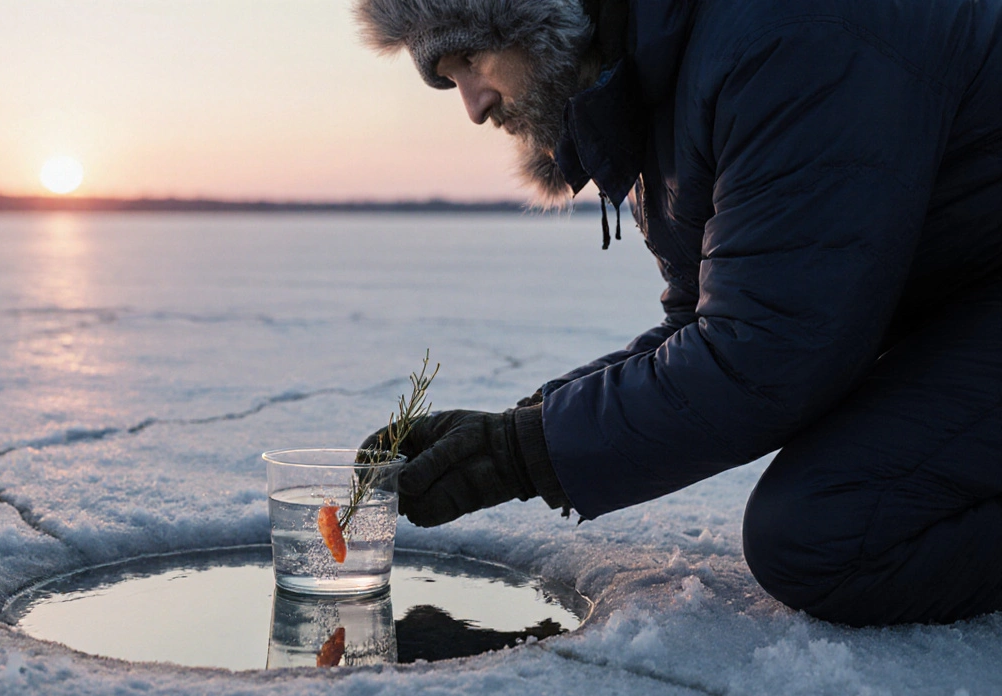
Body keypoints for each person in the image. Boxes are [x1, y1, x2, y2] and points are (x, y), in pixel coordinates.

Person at [354, 0, 1002, 626]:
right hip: (969, 297)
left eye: (469, 58)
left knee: (830, 532)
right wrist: (525, 423)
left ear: (545, 12)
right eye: (448, 82)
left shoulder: (785, 34)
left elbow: (767, 350)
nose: (473, 106)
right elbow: (708, 321)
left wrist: (521, 454)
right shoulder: (666, 71)